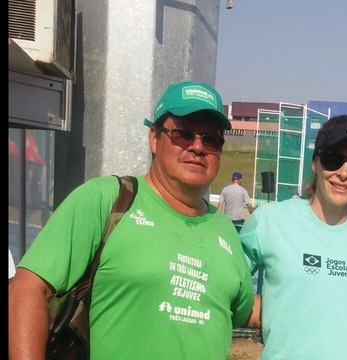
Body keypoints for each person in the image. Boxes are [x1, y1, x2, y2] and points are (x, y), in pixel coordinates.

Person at [9, 81, 257, 359]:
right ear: (154, 138)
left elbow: (244, 310)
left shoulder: (223, 227)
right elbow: (28, 288)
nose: (198, 147)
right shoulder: (105, 200)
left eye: (211, 139)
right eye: (183, 134)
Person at [240, 115, 347, 359]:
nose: (343, 173)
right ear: (315, 163)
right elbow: (222, 288)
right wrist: (265, 309)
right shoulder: (270, 220)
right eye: (333, 159)